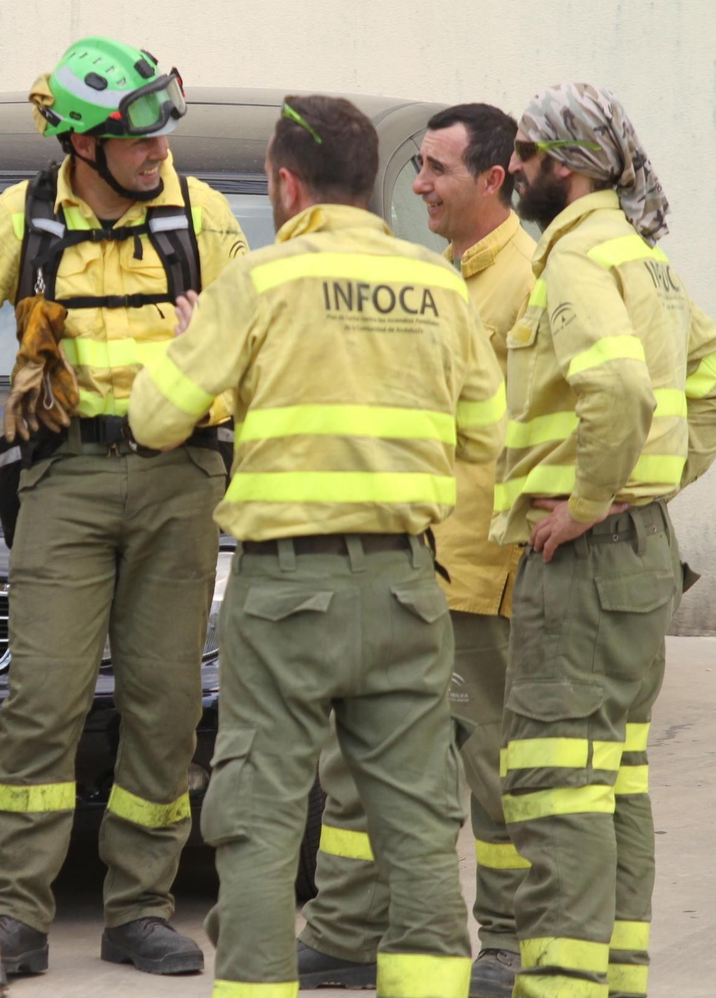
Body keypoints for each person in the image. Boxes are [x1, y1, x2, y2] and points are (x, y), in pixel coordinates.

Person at [131, 94, 506, 997]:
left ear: (287, 183)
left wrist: (196, 348)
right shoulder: (439, 283)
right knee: (417, 822)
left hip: (286, 594)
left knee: (258, 818)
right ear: (369, 182)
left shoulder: (260, 280)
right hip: (409, 587)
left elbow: (153, 420)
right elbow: (487, 436)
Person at [0, 36, 251, 978]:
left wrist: (213, 354)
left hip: (183, 480)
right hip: (64, 478)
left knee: (166, 703)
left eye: (162, 124)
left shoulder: (203, 215)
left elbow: (260, 344)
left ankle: (139, 906)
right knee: (44, 700)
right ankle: (15, 913)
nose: (159, 147)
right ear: (84, 145)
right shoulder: (24, 217)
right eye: (139, 133)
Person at [493, 83, 716, 998]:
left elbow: (620, 393)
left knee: (556, 784)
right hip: (640, 556)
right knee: (615, 780)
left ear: (565, 166)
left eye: (523, 154)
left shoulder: (573, 261)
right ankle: (617, 979)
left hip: (586, 563)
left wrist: (594, 500)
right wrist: (652, 488)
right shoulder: (644, 258)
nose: (511, 170)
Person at [296, 103, 532, 998]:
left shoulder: (528, 279)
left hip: (482, 568)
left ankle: (504, 939)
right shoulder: (444, 276)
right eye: (418, 167)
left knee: (490, 771)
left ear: (494, 181)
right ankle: (350, 930)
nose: (419, 185)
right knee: (358, 765)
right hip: (411, 564)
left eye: (436, 169)